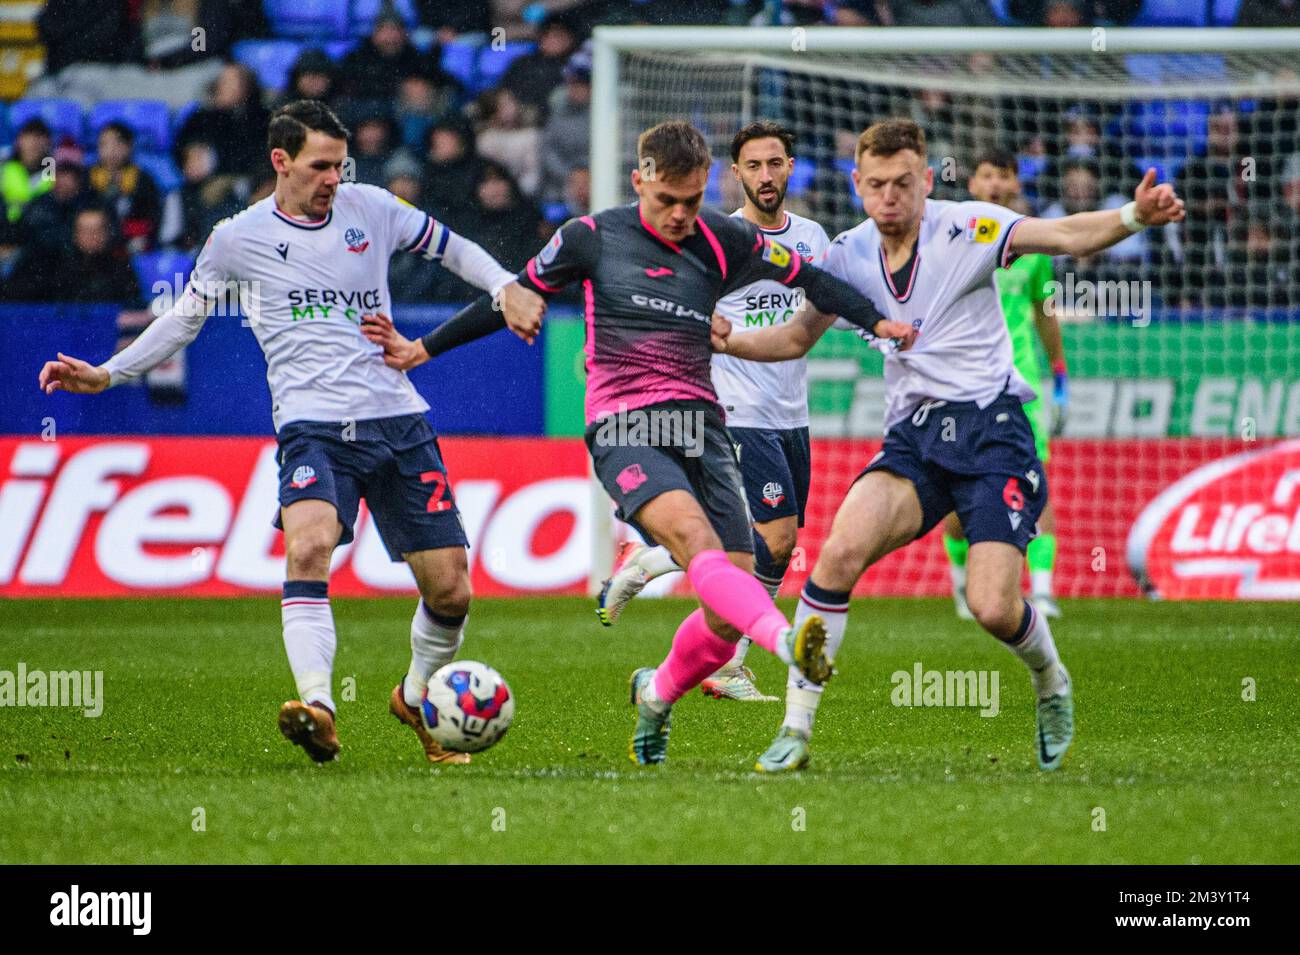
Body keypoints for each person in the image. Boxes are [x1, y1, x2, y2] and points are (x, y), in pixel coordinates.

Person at [361, 120, 914, 766]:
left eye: (691, 199)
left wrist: (875, 319)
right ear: (639, 179)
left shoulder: (722, 236)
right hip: (625, 421)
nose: (680, 215)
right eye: (666, 201)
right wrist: (421, 348)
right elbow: (510, 293)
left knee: (725, 608)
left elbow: (811, 281)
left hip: (701, 423)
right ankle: (789, 643)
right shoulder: (591, 238)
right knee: (698, 544)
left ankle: (656, 692)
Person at [38, 100, 546, 767]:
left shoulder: (373, 208)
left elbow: (453, 249)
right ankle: (318, 708)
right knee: (307, 549)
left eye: (340, 164)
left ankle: (414, 694)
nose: (334, 177)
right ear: (281, 161)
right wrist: (108, 373)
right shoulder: (236, 238)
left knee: (451, 588)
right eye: (320, 166)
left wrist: (507, 285)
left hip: (396, 418)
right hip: (312, 426)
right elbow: (183, 318)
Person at [714, 118, 1184, 773]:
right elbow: (795, 337)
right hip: (914, 443)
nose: (889, 197)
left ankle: (1051, 682)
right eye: (875, 184)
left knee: (993, 606)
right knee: (837, 554)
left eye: (903, 183)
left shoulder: (969, 228)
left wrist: (1134, 215)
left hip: (994, 434)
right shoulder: (846, 253)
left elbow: (1066, 235)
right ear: (857, 184)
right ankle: (795, 727)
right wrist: (728, 339)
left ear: (926, 180)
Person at [596, 120, 832, 709]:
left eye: (775, 163)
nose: (766, 175)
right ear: (736, 174)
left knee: (775, 546)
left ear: (790, 168)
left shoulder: (811, 239)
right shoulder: (717, 241)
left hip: (790, 411)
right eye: (753, 166)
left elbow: (820, 313)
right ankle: (729, 663)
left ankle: (651, 560)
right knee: (773, 538)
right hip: (734, 407)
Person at [942, 150, 1068, 621]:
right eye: (987, 175)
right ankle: (960, 589)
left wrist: (1059, 373)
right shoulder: (951, 239)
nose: (996, 183)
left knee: (1035, 482)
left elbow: (1045, 313)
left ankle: (1044, 591)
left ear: (1015, 183)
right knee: (955, 493)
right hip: (964, 384)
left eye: (1005, 175)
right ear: (972, 184)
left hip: (1023, 387)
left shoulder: (1031, 245)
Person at [88, 121, 163, 253]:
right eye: (104, 144)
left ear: (129, 146)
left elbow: (151, 219)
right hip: (94, 242)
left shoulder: (143, 180)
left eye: (118, 144)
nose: (111, 150)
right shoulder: (89, 177)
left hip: (131, 246)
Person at [2, 117, 53, 224]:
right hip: (6, 229)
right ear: (19, 140)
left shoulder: (52, 170)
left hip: (39, 230)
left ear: (48, 143)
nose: (34, 143)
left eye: (40, 137)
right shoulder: (4, 167)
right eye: (29, 136)